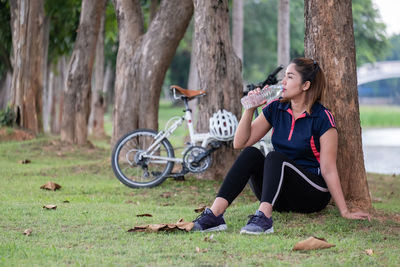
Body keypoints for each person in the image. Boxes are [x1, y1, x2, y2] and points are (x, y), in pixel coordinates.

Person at [192, 57, 371, 234]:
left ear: (305, 85)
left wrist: (344, 211)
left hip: (311, 194)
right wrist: (250, 109)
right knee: (251, 153)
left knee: (275, 157)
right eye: (284, 76)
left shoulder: (322, 118)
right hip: (279, 196)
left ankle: (264, 218)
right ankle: (214, 214)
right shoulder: (276, 108)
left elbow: (329, 169)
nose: (283, 82)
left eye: (290, 77)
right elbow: (240, 143)